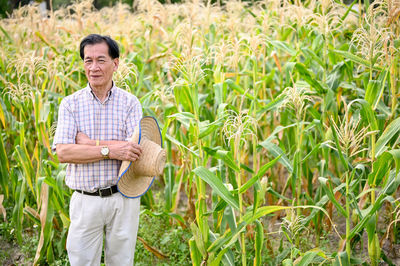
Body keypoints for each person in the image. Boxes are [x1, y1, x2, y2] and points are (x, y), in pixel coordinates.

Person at [52, 34, 143, 265]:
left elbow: (132, 153)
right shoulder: (70, 104)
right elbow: (64, 153)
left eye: (101, 60)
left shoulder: (130, 103)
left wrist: (87, 142)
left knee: (122, 262)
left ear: (115, 63)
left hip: (123, 198)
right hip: (86, 200)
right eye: (88, 60)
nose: (93, 67)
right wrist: (111, 150)